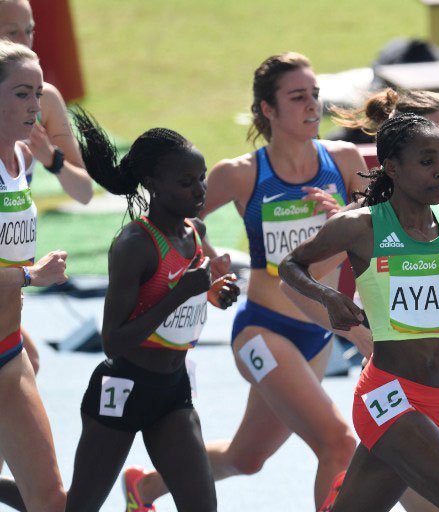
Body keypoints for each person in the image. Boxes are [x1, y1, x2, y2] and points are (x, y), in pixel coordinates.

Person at [127, 51, 370, 511]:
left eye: (315, 95)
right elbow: (167, 221)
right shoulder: (241, 174)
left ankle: (147, 486)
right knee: (338, 443)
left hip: (319, 335)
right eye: (298, 97)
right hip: (263, 330)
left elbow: (377, 235)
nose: (312, 106)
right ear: (267, 110)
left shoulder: (343, 160)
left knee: (248, 457)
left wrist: (346, 219)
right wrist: (209, 254)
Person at [283, 88, 439, 512]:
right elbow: (291, 268)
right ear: (392, 168)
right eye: (427, 162)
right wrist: (329, 297)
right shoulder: (360, 226)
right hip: (389, 396)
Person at [62, 109, 239, 512]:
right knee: (74, 508)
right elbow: (113, 341)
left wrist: (214, 292)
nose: (200, 190)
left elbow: (197, 288)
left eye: (202, 177)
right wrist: (181, 294)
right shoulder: (134, 246)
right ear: (154, 185)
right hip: (123, 388)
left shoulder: (195, 232)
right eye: (186, 182)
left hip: (172, 391)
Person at [0, 0, 92, 382]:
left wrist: (51, 159)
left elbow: (84, 192)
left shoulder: (45, 99)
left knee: (27, 365)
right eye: (12, 33)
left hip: (14, 267)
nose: (27, 40)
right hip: (17, 273)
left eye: (31, 30)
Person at [0, 39, 68, 512]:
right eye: (23, 93)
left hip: (8, 352)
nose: (35, 105)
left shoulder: (24, 160)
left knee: (49, 499)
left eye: (39, 93)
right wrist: (29, 275)